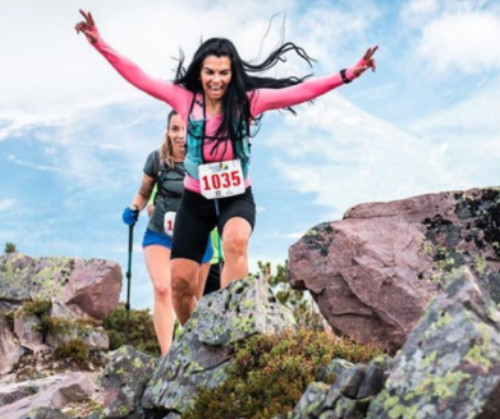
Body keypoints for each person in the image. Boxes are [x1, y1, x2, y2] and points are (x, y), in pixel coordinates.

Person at [75, 10, 377, 325]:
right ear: (199, 72)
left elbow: (300, 92)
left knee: (235, 242)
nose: (216, 80)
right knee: (180, 284)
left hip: (236, 197)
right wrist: (99, 43)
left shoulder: (248, 102)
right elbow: (139, 77)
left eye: (223, 73)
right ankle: (194, 341)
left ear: (232, 73)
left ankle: (234, 328)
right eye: (209, 72)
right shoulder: (185, 100)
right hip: (196, 201)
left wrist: (349, 73)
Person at [122, 109, 213, 355]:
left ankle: (194, 352)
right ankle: (167, 356)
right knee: (163, 289)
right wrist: (134, 207)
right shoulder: (157, 159)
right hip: (160, 234)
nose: (180, 135)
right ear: (167, 132)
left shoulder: (205, 159)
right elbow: (143, 193)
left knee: (191, 299)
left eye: (186, 129)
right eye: (175, 129)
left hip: (196, 237)